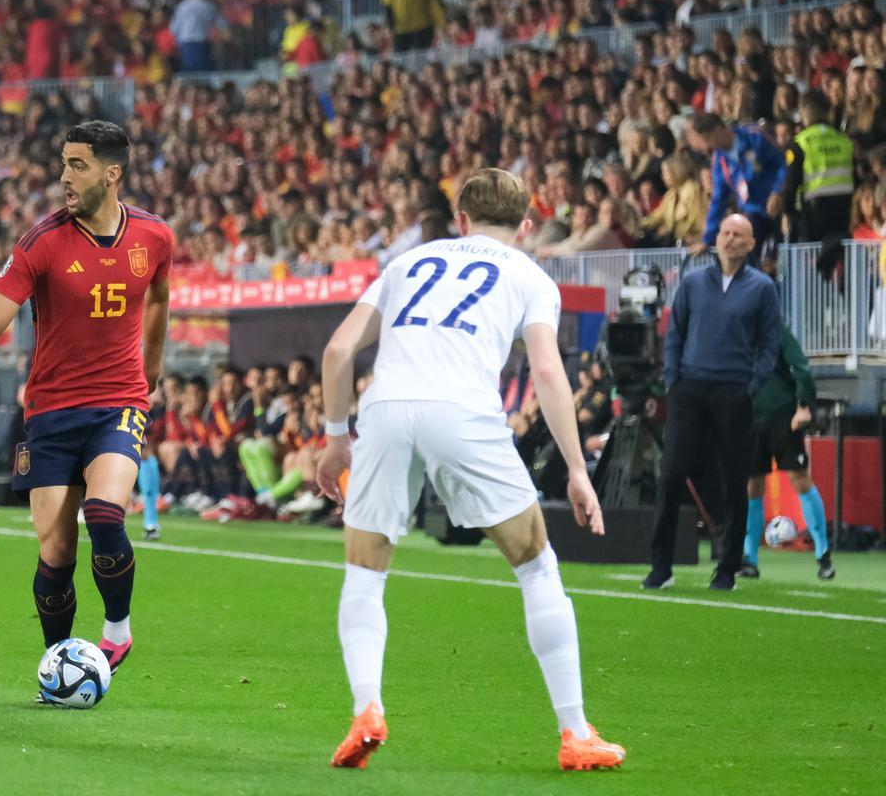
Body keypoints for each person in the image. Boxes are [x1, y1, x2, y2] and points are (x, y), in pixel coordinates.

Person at [316, 169, 624, 771]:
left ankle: (367, 709)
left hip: (385, 405)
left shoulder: (409, 262)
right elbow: (547, 371)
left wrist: (334, 439)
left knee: (365, 571)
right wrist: (577, 469)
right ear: (527, 227)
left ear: (459, 220)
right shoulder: (531, 275)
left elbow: (336, 351)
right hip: (463, 411)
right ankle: (574, 732)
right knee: (537, 567)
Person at [0, 121, 174, 686]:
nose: (64, 177)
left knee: (106, 512)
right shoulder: (41, 242)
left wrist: (153, 370)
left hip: (118, 401)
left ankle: (116, 629)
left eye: (78, 165)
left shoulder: (154, 237)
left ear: (111, 173)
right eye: (63, 163)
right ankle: (60, 660)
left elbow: (160, 298)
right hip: (50, 411)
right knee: (57, 553)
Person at [646, 214, 781, 592]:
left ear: (751, 244)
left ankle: (726, 570)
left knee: (733, 481)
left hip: (733, 392)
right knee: (672, 475)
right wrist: (673, 380)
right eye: (725, 233)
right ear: (716, 239)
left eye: (739, 234)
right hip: (689, 389)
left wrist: (752, 386)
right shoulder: (692, 283)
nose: (730, 239)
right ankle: (660, 566)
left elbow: (770, 344)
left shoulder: (762, 288)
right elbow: (675, 335)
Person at [743, 324, 834, 581]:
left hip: (782, 414)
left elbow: (800, 366)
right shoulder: (732, 330)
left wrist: (803, 404)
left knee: (799, 478)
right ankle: (749, 558)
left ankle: (823, 552)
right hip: (750, 416)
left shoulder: (775, 330)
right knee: (753, 485)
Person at [690, 113, 787, 260]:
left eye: (707, 138)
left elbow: (783, 162)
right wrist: (707, 240)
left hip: (779, 206)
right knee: (748, 259)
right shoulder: (719, 162)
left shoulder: (754, 136)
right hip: (753, 212)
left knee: (785, 258)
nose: (707, 145)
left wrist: (777, 191)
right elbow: (718, 202)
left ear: (718, 130)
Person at [780, 91, 855, 278]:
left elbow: (791, 183)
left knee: (814, 277)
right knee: (840, 260)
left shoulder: (800, 143)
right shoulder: (844, 140)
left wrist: (786, 212)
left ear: (804, 111)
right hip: (844, 211)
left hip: (813, 217)